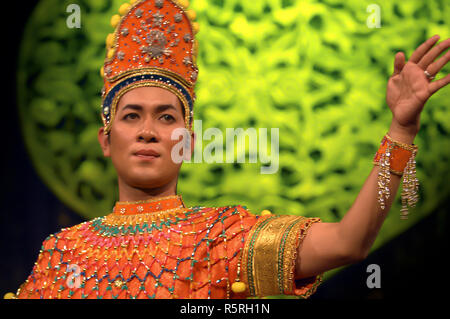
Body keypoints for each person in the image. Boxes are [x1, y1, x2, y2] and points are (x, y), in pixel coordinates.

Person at [7, 0, 449, 299]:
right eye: (130, 116)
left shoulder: (222, 239)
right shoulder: (62, 253)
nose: (148, 131)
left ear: (189, 142)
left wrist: (401, 128)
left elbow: (348, 243)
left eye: (166, 117)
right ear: (106, 140)